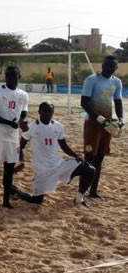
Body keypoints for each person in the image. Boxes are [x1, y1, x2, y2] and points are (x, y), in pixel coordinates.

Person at [13, 102, 95, 206]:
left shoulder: (58, 126)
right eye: (45, 111)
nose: (47, 113)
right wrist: (21, 161)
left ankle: (79, 198)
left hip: (59, 165)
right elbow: (21, 146)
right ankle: (14, 189)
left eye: (50, 111)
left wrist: (75, 155)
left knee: (90, 170)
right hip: (43, 171)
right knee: (36, 200)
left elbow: (64, 146)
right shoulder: (31, 127)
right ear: (39, 112)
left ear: (53, 112)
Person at [0, 66, 29, 209]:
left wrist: (20, 121)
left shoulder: (23, 94)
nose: (10, 78)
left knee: (9, 170)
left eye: (13, 76)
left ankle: (5, 200)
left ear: (19, 77)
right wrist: (8, 122)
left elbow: (23, 112)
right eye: (8, 76)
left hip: (12, 138)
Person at [81, 56, 124, 199]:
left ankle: (93, 191)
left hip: (108, 124)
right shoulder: (92, 79)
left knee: (100, 156)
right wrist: (98, 117)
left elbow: (118, 102)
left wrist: (121, 118)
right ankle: (81, 191)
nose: (108, 68)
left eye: (112, 66)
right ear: (102, 65)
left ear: (115, 68)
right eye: (106, 65)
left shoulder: (117, 82)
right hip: (93, 122)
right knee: (89, 157)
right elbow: (84, 102)